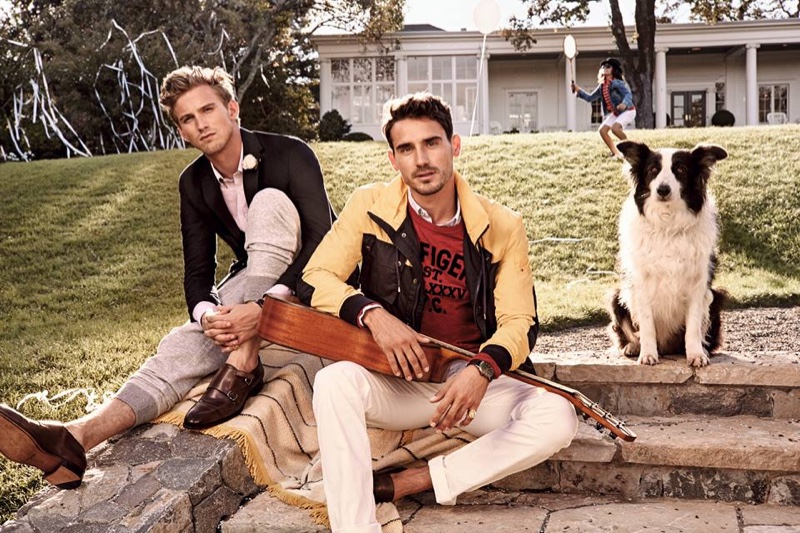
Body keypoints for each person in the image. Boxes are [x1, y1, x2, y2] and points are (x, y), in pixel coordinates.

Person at [0, 66, 336, 490]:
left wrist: (264, 308)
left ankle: (245, 360)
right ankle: (76, 439)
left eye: (208, 110)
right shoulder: (193, 182)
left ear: (232, 109)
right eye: (187, 119)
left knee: (268, 201)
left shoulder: (290, 152)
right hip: (258, 278)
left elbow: (323, 238)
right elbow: (197, 272)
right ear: (182, 131)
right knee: (188, 337)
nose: (201, 124)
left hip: (319, 279)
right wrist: (207, 313)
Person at [298, 92, 578, 533]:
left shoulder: (501, 225)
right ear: (393, 159)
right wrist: (374, 315)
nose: (421, 159)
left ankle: (418, 480)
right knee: (334, 382)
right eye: (406, 148)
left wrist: (481, 370)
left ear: (455, 146)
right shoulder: (369, 206)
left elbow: (520, 323)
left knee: (557, 417)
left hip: (469, 384)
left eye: (431, 143)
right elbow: (315, 277)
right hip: (397, 379)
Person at [572, 57, 636, 160]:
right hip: (616, 113)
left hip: (628, 111)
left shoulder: (617, 83)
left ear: (614, 69)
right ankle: (616, 153)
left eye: (608, 66)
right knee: (602, 131)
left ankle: (631, 151)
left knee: (615, 129)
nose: (605, 68)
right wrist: (578, 90)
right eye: (603, 66)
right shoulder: (602, 86)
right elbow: (590, 98)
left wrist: (624, 103)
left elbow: (628, 95)